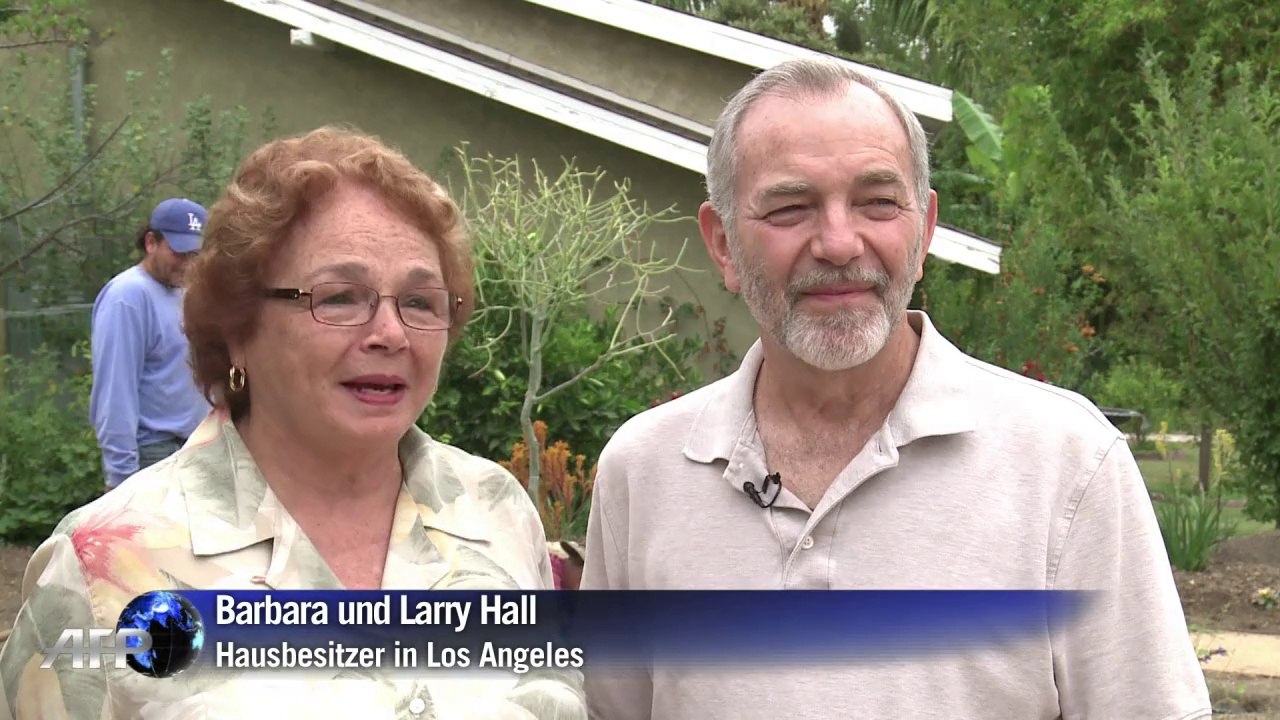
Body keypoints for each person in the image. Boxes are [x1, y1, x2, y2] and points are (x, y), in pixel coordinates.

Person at [580, 58, 1211, 719]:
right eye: (791, 207)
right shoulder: (644, 473)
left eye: (877, 202)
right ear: (723, 246)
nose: (839, 242)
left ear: (925, 228)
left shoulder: (1069, 466)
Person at [0, 127, 586, 719]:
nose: (391, 334)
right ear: (237, 328)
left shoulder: (496, 511)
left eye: (420, 302)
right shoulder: (103, 569)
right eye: (338, 297)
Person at [89, 198, 212, 492]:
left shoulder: (188, 293)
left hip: (196, 445)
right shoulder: (128, 296)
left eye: (196, 254)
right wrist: (121, 479)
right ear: (151, 243)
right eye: (179, 252)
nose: (188, 263)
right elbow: (115, 391)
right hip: (153, 454)